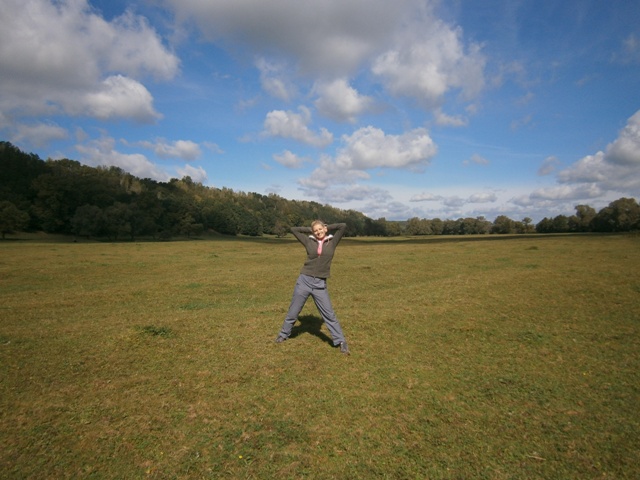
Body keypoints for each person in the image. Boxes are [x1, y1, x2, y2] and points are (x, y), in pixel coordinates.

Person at [275, 221, 349, 354]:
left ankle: (341, 341)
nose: (318, 232)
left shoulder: (332, 242)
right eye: (316, 231)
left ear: (325, 229)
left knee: (329, 314)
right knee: (293, 312)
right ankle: (283, 334)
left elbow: (342, 226)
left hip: (320, 284)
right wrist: (311, 230)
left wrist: (325, 228)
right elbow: (294, 229)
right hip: (304, 281)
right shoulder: (309, 241)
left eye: (320, 229)